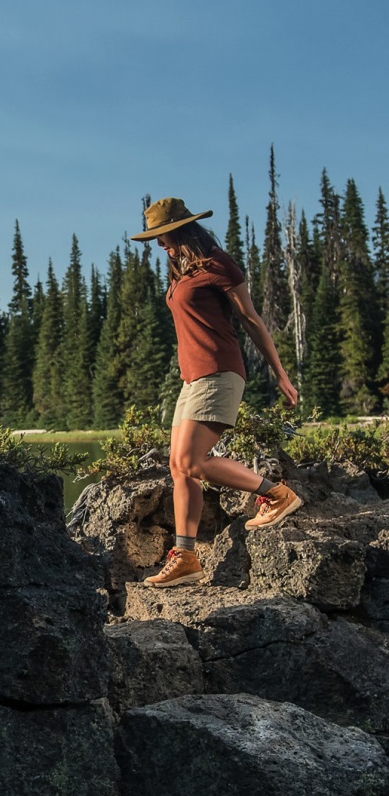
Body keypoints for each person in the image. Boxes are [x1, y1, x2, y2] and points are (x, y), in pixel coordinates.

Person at [131, 197, 303, 588]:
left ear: (183, 230)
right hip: (192, 380)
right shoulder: (181, 269)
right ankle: (187, 558)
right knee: (178, 468)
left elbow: (251, 319)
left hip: (219, 373)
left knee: (192, 461)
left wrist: (280, 373)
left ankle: (277, 494)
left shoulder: (218, 265)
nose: (159, 244)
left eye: (163, 235)